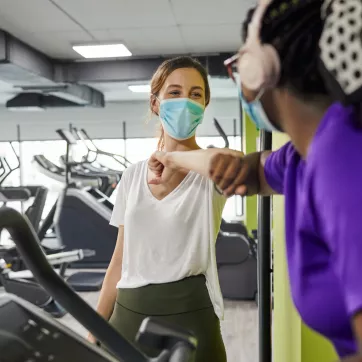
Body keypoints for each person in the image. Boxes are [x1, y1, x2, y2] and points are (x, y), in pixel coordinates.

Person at [148, 0, 362, 361]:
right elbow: (250, 170)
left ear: (256, 69)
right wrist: (171, 157)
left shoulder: (340, 154)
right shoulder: (303, 155)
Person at [87, 56, 227, 362]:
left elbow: (235, 162)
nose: (185, 102)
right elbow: (120, 259)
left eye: (195, 94)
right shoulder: (133, 175)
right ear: (155, 103)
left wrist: (174, 158)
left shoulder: (210, 173)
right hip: (128, 315)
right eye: (174, 93)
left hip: (191, 316)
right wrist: (94, 326)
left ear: (204, 105)